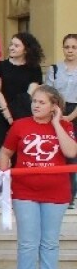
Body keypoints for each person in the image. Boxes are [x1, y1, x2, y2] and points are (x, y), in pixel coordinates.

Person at [0, 85, 77, 269]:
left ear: (54, 106)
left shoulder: (65, 125)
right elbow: (6, 152)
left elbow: (71, 152)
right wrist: (4, 178)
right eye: (34, 101)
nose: (36, 105)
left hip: (56, 192)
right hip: (25, 191)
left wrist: (56, 124)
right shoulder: (20, 125)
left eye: (42, 102)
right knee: (28, 242)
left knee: (50, 242)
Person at [0, 32, 44, 152]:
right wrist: (7, 113)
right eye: (11, 44)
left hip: (22, 113)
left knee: (21, 149)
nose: (11, 48)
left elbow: (30, 93)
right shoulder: (1, 65)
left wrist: (15, 115)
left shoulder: (34, 68)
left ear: (26, 50)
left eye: (16, 45)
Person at [48, 33, 77, 205]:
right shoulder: (55, 69)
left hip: (74, 112)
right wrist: (57, 114)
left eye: (74, 47)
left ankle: (70, 195)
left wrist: (70, 117)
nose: (70, 50)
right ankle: (58, 191)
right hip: (57, 110)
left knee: (72, 155)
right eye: (67, 47)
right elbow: (50, 93)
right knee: (57, 153)